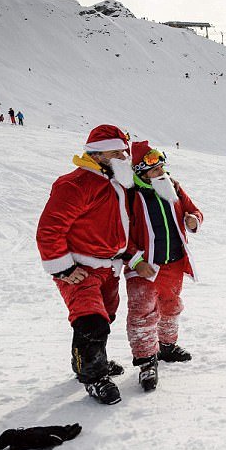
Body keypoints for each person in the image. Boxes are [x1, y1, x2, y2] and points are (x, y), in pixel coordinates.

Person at [36, 125, 136, 405]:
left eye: (124, 151)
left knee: (105, 317)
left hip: (109, 268)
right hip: (80, 269)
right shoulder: (76, 183)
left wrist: (128, 255)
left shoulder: (114, 182)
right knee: (91, 321)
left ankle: (91, 360)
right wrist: (63, 268)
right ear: (97, 153)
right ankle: (94, 377)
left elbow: (121, 226)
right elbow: (49, 229)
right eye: (116, 151)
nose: (123, 156)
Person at [123, 142, 204, 391]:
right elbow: (119, 232)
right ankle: (147, 362)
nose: (161, 172)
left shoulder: (174, 187)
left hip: (174, 263)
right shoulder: (129, 195)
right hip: (145, 267)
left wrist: (193, 221)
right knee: (142, 314)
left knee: (170, 307)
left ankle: (166, 347)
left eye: (162, 167)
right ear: (141, 172)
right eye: (155, 170)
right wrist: (136, 260)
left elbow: (195, 211)